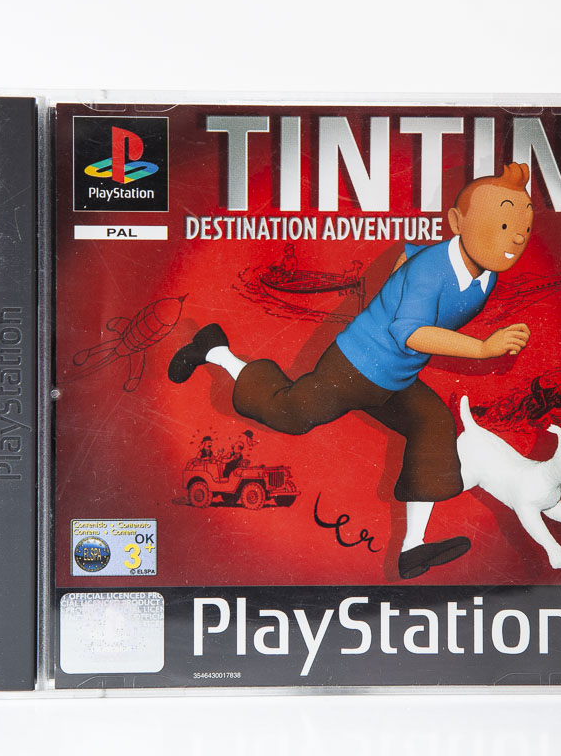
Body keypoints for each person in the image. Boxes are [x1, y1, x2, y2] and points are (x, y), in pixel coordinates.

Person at [170, 163, 534, 578]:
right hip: (354, 366)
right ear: (457, 221)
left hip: (396, 378)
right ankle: (215, 351)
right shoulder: (432, 270)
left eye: (523, 226)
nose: (516, 237)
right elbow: (412, 332)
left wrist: (400, 273)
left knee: (433, 424)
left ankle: (413, 549)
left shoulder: (485, 274)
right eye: (503, 224)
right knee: (290, 413)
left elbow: (412, 254)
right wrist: (483, 348)